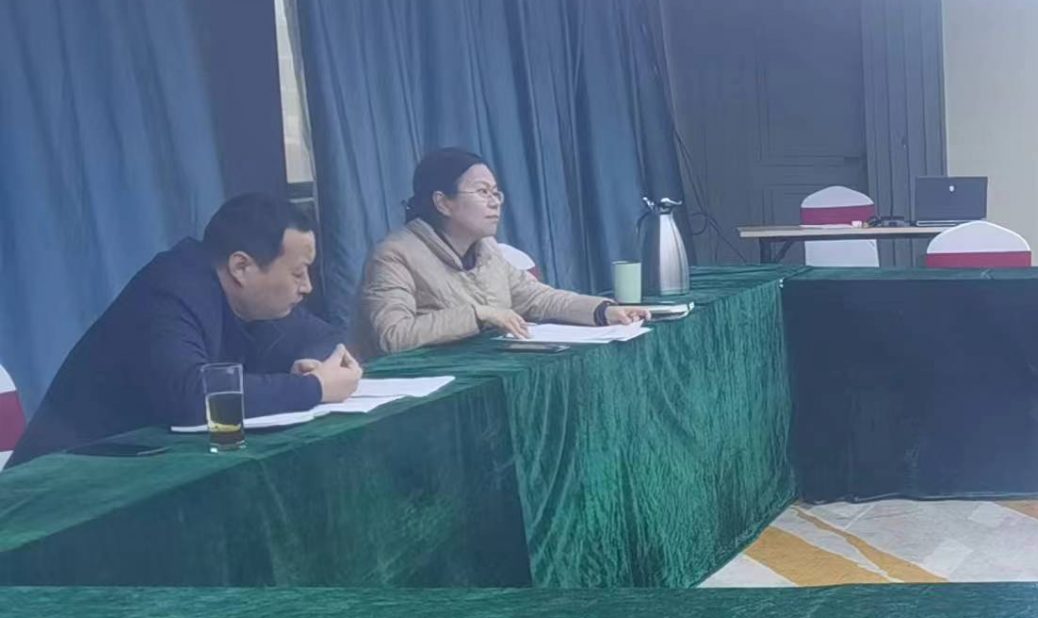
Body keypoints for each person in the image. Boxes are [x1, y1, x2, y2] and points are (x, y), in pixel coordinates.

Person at [10, 194, 359, 466]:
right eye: (298, 273)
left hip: (134, 470)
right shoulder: (171, 291)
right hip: (57, 485)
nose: (307, 287)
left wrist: (311, 366)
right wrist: (312, 388)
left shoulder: (249, 300)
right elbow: (194, 396)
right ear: (241, 267)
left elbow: (321, 338)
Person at [356, 148, 651, 359]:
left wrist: (602, 310)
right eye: (482, 192)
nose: (495, 202)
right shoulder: (394, 255)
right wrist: (477, 315)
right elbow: (392, 336)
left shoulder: (488, 248)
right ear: (443, 202)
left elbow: (538, 298)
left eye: (496, 192)